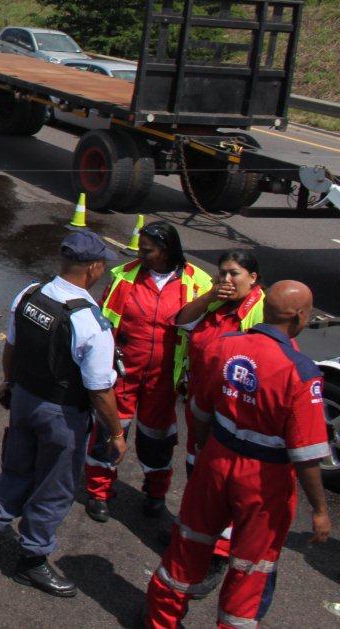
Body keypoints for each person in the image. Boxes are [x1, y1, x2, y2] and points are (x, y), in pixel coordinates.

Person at [145, 281, 331, 629]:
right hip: (265, 481)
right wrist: (319, 510)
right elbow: (306, 454)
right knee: (250, 567)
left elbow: (200, 408)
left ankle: (159, 620)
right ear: (300, 317)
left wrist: (204, 450)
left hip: (216, 458)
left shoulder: (225, 347)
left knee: (188, 545)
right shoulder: (301, 371)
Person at [0, 230, 125, 598]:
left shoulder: (30, 294)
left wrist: (9, 383)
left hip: (24, 399)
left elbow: (13, 349)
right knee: (55, 487)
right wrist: (116, 433)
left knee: (16, 468)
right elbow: (100, 390)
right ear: (94, 268)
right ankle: (32, 559)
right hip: (62, 415)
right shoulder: (90, 323)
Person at [84, 222, 211, 523]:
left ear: (166, 250)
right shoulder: (123, 276)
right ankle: (99, 492)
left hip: (163, 380)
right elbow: (103, 322)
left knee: (158, 440)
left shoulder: (198, 283)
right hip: (124, 371)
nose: (140, 254)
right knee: (108, 431)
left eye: (147, 250)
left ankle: (155, 495)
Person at [167, 250, 266, 596]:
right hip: (200, 408)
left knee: (223, 485)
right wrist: (209, 296)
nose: (226, 281)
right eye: (221, 274)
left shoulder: (259, 313)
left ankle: (218, 555)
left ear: (253, 278)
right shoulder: (214, 304)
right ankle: (195, 533)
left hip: (231, 417)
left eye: (234, 274)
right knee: (197, 472)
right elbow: (180, 320)